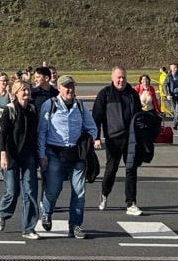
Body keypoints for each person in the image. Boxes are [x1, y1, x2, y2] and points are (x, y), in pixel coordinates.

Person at [38, 74, 102, 238]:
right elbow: (42, 132)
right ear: (59, 88)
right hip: (55, 153)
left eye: (72, 86)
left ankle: (75, 225)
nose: (70, 90)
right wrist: (41, 155)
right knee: (53, 190)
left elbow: (92, 127)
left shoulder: (80, 106)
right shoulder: (49, 105)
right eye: (66, 86)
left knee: (79, 192)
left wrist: (89, 140)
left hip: (76, 154)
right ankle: (46, 211)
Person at [0, 80, 45, 241]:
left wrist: (40, 155)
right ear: (15, 93)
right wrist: (2, 155)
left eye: (28, 90)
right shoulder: (9, 111)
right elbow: (3, 134)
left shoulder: (32, 109)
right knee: (12, 191)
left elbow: (36, 134)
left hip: (28, 155)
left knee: (30, 190)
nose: (26, 94)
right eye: (23, 91)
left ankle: (28, 227)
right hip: (11, 155)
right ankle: (3, 213)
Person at [92, 66, 145, 216]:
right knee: (111, 169)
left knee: (131, 169)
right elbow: (96, 117)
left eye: (123, 77)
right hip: (113, 139)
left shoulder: (132, 94)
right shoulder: (105, 94)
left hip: (131, 139)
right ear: (112, 78)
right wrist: (96, 137)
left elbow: (139, 115)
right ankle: (104, 194)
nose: (121, 80)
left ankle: (131, 202)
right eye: (118, 78)